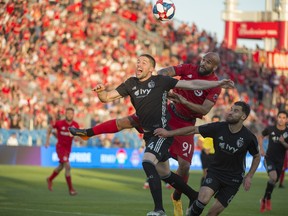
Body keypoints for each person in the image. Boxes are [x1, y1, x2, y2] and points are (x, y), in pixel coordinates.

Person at [70, 54, 234, 216]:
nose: (204, 62)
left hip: (183, 122)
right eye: (138, 61)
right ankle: (88, 133)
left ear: (215, 66)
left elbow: (200, 101)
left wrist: (183, 98)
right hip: (168, 113)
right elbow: (164, 72)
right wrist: (102, 92)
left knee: (183, 166)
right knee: (129, 128)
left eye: (209, 61)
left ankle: (173, 199)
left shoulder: (211, 85)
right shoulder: (140, 81)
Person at [154, 101, 261, 216]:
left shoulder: (249, 137)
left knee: (212, 213)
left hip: (233, 179)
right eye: (231, 109)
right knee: (202, 200)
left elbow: (257, 156)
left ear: (243, 116)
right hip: (215, 172)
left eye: (236, 111)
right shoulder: (218, 127)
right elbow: (193, 130)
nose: (230, 112)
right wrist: (169, 133)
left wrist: (249, 175)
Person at [45, 107, 80, 196]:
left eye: (71, 113)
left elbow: (77, 137)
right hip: (60, 147)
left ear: (73, 115)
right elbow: (49, 127)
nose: (69, 115)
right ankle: (71, 189)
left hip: (68, 149)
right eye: (68, 113)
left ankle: (50, 179)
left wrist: (77, 138)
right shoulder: (60, 123)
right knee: (67, 166)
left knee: (61, 166)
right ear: (65, 114)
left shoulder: (76, 125)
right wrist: (47, 141)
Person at [259, 110, 288, 213]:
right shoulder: (270, 129)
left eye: (284, 118)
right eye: (280, 117)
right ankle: (268, 200)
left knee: (273, 181)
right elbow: (261, 136)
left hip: (280, 161)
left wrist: (283, 142)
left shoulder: (287, 132)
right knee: (273, 177)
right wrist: (261, 149)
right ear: (277, 118)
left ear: (286, 120)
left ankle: (264, 199)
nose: (281, 119)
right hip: (269, 158)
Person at [197, 115, 221, 186]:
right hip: (206, 154)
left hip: (216, 155)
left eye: (217, 122)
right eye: (214, 121)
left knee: (216, 173)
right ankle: (203, 188)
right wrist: (204, 149)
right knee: (206, 172)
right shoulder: (207, 130)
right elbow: (199, 142)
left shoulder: (221, 132)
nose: (215, 123)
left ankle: (211, 188)